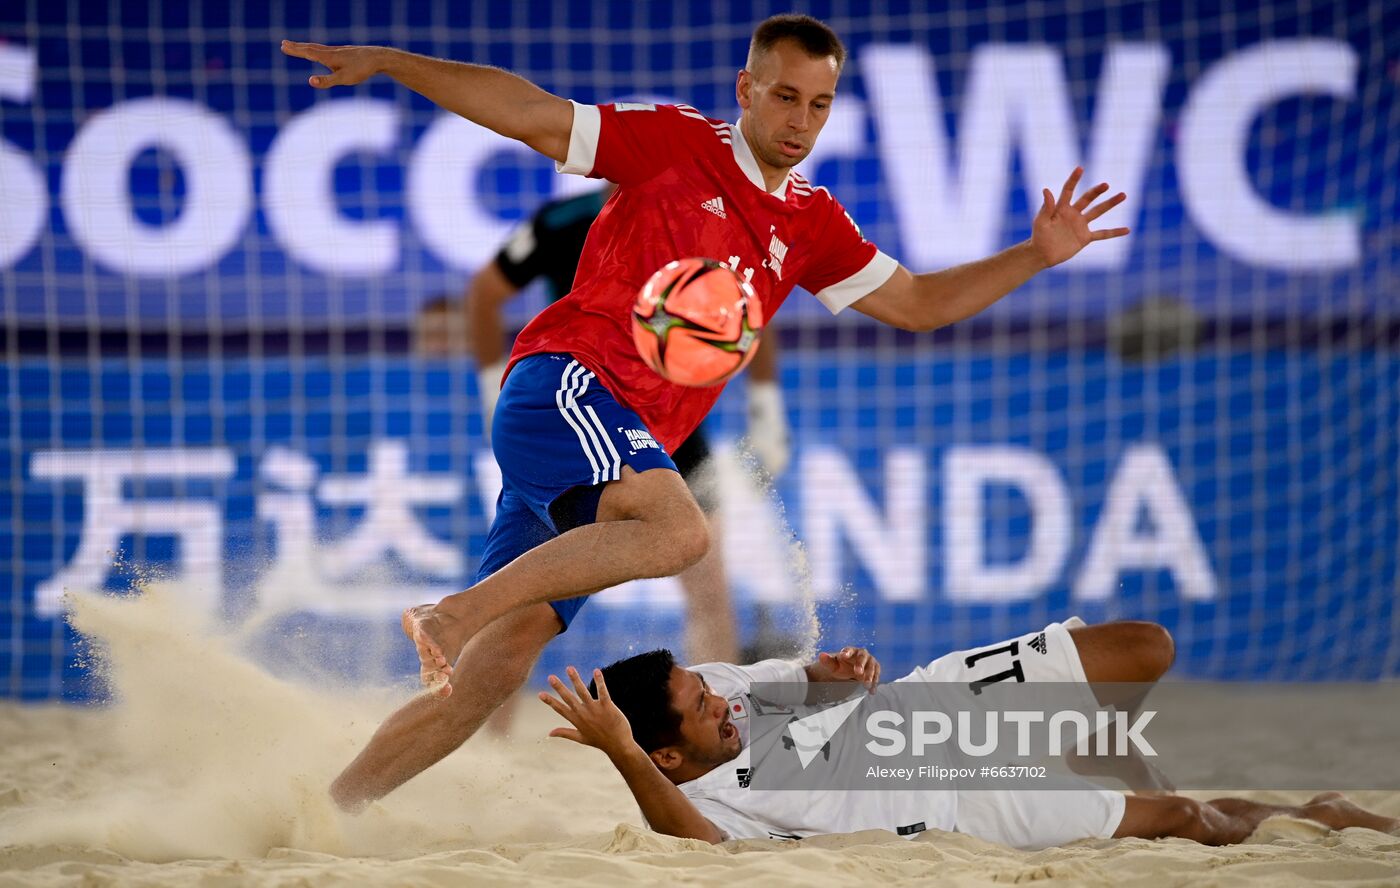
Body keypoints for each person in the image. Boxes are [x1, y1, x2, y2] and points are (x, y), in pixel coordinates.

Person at [281, 13, 1131, 810]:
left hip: (614, 428)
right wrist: (393, 63)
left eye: (821, 104)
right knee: (683, 532)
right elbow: (531, 115)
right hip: (569, 382)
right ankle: (451, 610)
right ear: (746, 90)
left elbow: (917, 305)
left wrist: (1034, 254)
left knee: (493, 671)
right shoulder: (677, 143)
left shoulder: (810, 221)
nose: (802, 120)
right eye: (786, 95)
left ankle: (328, 816)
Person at [538, 621, 1400, 848]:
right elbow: (684, 843)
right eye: (702, 711)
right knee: (1181, 821)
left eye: (705, 686)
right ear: (664, 756)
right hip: (964, 799)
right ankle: (1319, 811)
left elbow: (810, 680)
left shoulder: (716, 692)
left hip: (933, 703)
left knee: (1143, 650)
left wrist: (838, 672)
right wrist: (618, 751)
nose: (719, 699)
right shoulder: (706, 805)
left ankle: (1088, 747)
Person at [467, 182, 793, 664]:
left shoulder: (698, 221)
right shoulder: (561, 222)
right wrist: (493, 385)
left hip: (668, 423)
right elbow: (484, 293)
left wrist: (767, 411)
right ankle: (486, 734)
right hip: (579, 412)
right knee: (520, 599)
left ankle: (719, 727)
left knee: (708, 584)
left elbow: (744, 309)